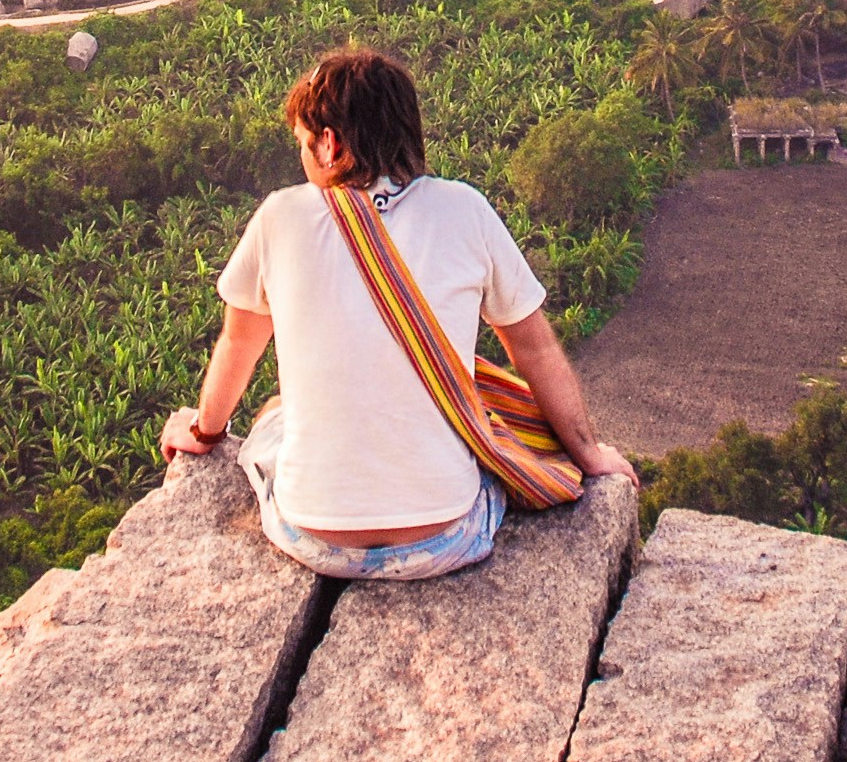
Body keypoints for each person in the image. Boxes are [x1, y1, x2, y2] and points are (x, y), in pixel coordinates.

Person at [160, 47, 636, 581]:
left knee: (275, 415)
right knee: (482, 408)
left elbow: (238, 345)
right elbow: (535, 348)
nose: (303, 157)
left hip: (314, 538)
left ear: (330, 145)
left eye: (302, 142)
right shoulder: (466, 209)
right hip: (445, 540)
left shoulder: (279, 216)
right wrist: (589, 456)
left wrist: (203, 433)